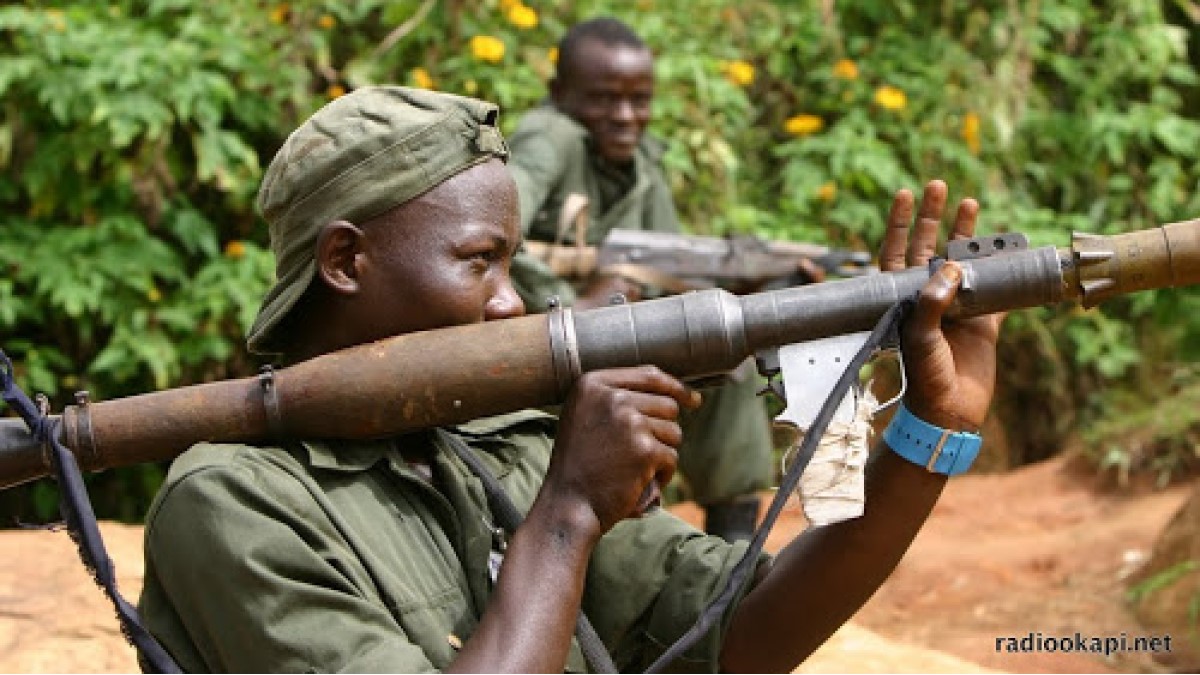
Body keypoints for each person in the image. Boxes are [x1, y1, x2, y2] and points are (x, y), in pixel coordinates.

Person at [137, 85, 1001, 673]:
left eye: (510, 263)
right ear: (345, 260)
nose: (511, 301)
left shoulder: (496, 445)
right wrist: (567, 515)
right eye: (478, 261)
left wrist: (930, 432)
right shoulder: (231, 502)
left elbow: (743, 634)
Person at [505, 17, 774, 541]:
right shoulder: (551, 137)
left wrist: (724, 292)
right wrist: (570, 305)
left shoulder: (643, 166)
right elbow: (494, 227)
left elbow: (668, 268)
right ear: (560, 94)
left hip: (616, 339)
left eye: (640, 101)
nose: (626, 117)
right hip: (539, 341)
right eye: (604, 100)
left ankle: (732, 557)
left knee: (730, 371)